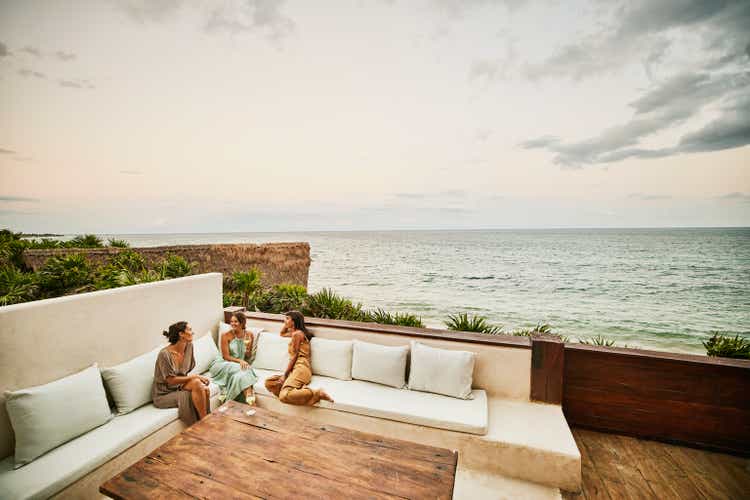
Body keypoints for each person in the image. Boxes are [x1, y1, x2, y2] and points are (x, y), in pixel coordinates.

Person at [264, 311, 334, 405]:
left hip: (301, 368)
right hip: (296, 369)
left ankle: (317, 393)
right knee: (269, 383)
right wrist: (287, 323)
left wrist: (285, 375)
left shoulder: (297, 334)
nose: (284, 320)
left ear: (294, 321)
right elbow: (282, 333)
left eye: (287, 318)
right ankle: (297, 393)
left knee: (283, 396)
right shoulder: (295, 333)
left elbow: (294, 357)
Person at [152, 321, 210, 425]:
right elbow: (170, 380)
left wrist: (195, 379)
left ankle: (204, 422)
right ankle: (204, 424)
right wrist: (195, 376)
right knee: (200, 388)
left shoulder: (189, 346)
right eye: (189, 330)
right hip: (164, 393)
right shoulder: (164, 354)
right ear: (181, 334)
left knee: (200, 386)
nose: (193, 332)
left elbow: (185, 372)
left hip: (179, 386)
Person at [209, 312, 258, 404]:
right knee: (246, 369)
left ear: (242, 323)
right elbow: (226, 356)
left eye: (236, 321)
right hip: (222, 364)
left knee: (240, 375)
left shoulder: (249, 335)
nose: (233, 324)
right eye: (231, 321)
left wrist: (247, 350)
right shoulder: (225, 335)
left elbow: (248, 356)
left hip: (237, 365)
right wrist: (240, 361)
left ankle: (248, 401)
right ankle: (250, 397)